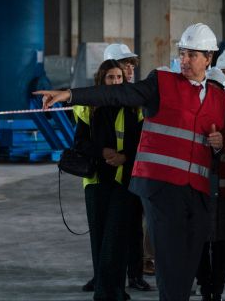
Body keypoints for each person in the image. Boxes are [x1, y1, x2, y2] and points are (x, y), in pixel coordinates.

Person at [35, 23, 225, 301]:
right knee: (170, 257)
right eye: (182, 53)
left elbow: (215, 144)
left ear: (208, 58)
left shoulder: (218, 97)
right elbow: (117, 93)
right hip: (161, 187)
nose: (184, 60)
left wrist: (218, 145)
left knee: (190, 256)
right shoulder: (161, 83)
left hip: (196, 191)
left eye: (192, 55)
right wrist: (71, 94)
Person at [73, 59, 144, 301]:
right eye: (110, 77)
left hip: (124, 180)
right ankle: (108, 291)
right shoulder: (88, 107)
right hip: (96, 182)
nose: (115, 82)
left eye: (118, 78)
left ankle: (112, 290)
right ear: (101, 80)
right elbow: (79, 143)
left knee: (117, 238)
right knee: (100, 239)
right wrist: (102, 152)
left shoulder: (135, 108)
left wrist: (125, 157)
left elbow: (143, 143)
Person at [102, 43, 151, 292]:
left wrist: (126, 157)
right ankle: (104, 277)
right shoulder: (94, 101)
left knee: (133, 227)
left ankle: (135, 274)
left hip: (131, 172)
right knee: (106, 231)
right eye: (125, 63)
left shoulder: (136, 99)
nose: (130, 68)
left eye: (132, 64)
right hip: (103, 175)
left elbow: (144, 137)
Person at [196, 67, 225, 301]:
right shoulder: (196, 115)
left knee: (223, 241)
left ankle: (217, 289)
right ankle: (206, 287)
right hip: (201, 189)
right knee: (201, 241)